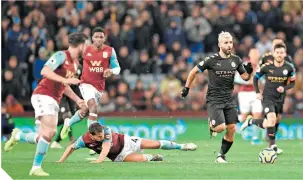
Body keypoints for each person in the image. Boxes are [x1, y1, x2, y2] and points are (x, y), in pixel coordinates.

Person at [4, 32, 88, 176]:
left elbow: (64, 86)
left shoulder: (75, 65)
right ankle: (35, 168)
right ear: (80, 45)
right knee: (48, 132)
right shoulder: (61, 56)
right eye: (85, 45)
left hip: (54, 98)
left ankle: (18, 136)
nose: (87, 48)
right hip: (43, 94)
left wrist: (77, 100)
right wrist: (66, 80)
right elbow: (45, 71)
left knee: (46, 134)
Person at [181, 32, 253, 163]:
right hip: (214, 99)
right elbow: (193, 72)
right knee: (220, 128)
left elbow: (245, 78)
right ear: (219, 44)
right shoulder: (211, 60)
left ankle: (221, 155)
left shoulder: (236, 60)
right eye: (226, 43)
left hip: (229, 99)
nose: (229, 45)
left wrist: (249, 71)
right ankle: (212, 125)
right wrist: (186, 88)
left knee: (232, 129)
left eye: (230, 42)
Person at [60, 27, 120, 142]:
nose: (98, 39)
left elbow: (117, 68)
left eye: (101, 37)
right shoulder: (85, 50)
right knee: (93, 107)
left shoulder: (110, 51)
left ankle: (68, 122)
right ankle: (92, 139)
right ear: (92, 38)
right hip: (85, 84)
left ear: (104, 38)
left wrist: (111, 71)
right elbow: (71, 57)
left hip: (99, 87)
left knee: (85, 111)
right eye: (96, 37)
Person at [240, 43, 296, 154]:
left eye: (281, 53)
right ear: (274, 54)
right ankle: (273, 146)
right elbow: (255, 79)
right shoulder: (266, 67)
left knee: (269, 122)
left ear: (284, 54)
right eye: (277, 52)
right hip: (267, 98)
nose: (279, 55)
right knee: (271, 119)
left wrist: (284, 88)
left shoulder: (289, 67)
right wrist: (257, 92)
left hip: (279, 99)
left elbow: (293, 83)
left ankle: (251, 121)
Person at [57, 123, 197, 163]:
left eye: (101, 135)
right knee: (142, 159)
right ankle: (152, 158)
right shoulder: (84, 140)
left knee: (154, 143)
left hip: (127, 142)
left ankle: (182, 146)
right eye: (98, 136)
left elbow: (105, 148)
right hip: (118, 156)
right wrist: (61, 161)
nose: (101, 137)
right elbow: (71, 147)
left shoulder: (106, 131)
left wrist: (99, 160)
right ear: (92, 136)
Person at [257, 38, 294, 153]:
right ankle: (272, 143)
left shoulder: (287, 60)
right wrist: (261, 88)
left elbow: (290, 76)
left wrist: (285, 88)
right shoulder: (265, 57)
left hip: (281, 91)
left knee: (277, 117)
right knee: (271, 116)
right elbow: (259, 72)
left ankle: (270, 135)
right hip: (268, 90)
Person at [234, 48, 263, 145]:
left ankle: (255, 138)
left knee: (257, 115)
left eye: (257, 54)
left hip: (256, 93)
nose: (255, 56)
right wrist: (249, 81)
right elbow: (237, 79)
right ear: (250, 55)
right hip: (244, 94)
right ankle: (230, 121)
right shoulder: (245, 65)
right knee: (243, 116)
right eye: (254, 54)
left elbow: (262, 81)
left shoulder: (260, 67)